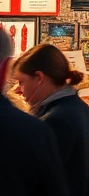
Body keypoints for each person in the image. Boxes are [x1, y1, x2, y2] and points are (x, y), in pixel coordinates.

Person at [11, 43, 89, 196]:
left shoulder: (54, 120)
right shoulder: (78, 107)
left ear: (39, 78)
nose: (18, 89)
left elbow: (38, 181)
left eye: (21, 82)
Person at [0, 31, 71, 196]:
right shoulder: (33, 131)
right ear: (4, 69)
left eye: (21, 82)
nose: (18, 88)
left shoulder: (49, 121)